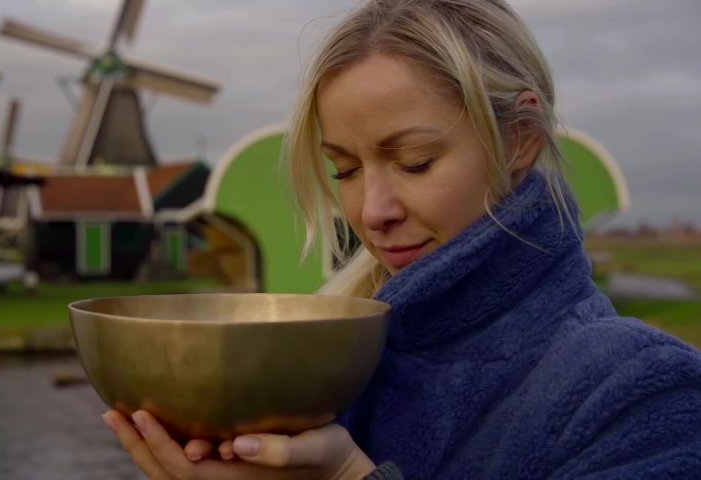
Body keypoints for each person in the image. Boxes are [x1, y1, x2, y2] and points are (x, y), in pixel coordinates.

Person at [100, 0, 701, 478]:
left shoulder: (641, 394)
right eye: (345, 170)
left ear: (520, 137)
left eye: (413, 162)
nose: (371, 211)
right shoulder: (318, 373)